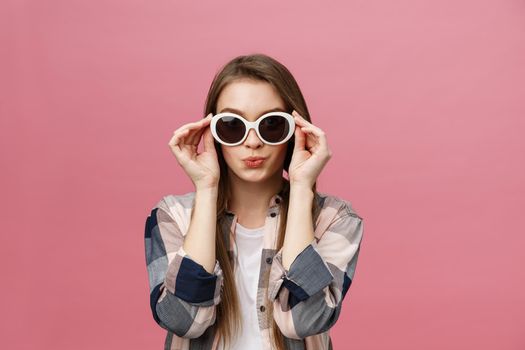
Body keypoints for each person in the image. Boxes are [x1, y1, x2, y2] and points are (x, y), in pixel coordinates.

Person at [144, 53, 364, 350]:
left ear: (295, 130)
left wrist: (301, 186)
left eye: (271, 124)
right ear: (213, 133)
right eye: (233, 125)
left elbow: (303, 320)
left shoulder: (334, 219)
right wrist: (207, 188)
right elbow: (184, 320)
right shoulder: (173, 216)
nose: (252, 141)